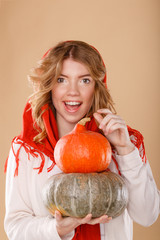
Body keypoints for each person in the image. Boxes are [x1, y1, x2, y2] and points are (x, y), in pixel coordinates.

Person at [4, 40, 159, 240]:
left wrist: (125, 150)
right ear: (49, 86)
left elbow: (148, 216)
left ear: (96, 87)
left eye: (84, 80)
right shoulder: (26, 150)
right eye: (62, 80)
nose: (73, 92)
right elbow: (15, 228)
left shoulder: (123, 142)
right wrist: (57, 229)